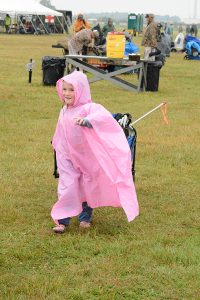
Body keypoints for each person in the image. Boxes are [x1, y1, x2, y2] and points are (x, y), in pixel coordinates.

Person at [51, 71, 139, 233]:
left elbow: (103, 118)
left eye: (71, 90)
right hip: (67, 157)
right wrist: (56, 144)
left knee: (86, 187)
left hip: (86, 158)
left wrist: (87, 121)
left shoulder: (89, 108)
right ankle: (62, 220)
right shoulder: (64, 110)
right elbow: (61, 131)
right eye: (64, 89)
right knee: (67, 186)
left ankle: (85, 218)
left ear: (81, 90)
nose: (67, 93)